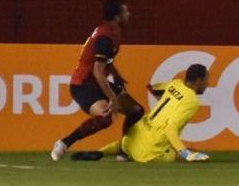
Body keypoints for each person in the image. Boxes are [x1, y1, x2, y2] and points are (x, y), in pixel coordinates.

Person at [51, 0, 145, 160]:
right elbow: (97, 72)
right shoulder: (105, 38)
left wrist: (115, 73)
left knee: (136, 111)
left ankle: (124, 151)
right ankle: (64, 143)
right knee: (105, 117)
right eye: (125, 11)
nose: (129, 14)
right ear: (117, 16)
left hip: (95, 82)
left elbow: (104, 61)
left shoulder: (112, 32)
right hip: (83, 85)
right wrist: (113, 99)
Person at [73, 64, 211, 162]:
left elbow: (153, 88)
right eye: (206, 80)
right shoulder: (192, 101)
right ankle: (184, 153)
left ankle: (100, 152)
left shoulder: (175, 84)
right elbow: (170, 127)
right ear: (198, 81)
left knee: (127, 143)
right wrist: (185, 153)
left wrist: (167, 98)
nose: (207, 84)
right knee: (197, 154)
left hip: (135, 135)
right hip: (152, 152)